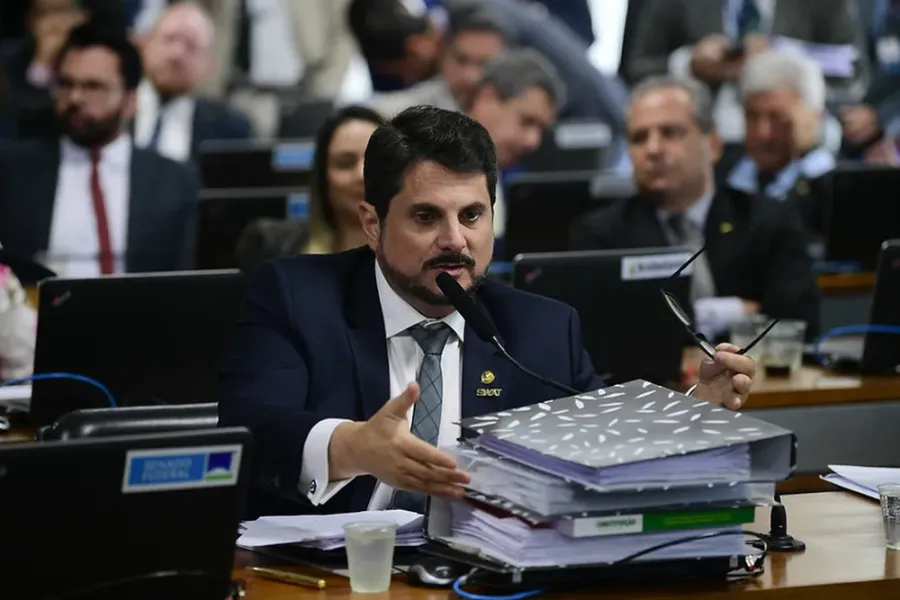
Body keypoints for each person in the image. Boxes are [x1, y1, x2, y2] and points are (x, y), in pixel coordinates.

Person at [218, 105, 758, 519]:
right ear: (373, 224)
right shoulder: (296, 296)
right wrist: (352, 447)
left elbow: (599, 443)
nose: (455, 240)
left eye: (473, 215)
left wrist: (691, 412)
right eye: (426, 217)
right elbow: (251, 427)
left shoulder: (541, 329)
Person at [570, 76, 820, 342]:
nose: (653, 149)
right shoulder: (602, 235)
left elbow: (799, 323)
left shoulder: (765, 220)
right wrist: (733, 312)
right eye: (639, 138)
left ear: (713, 144)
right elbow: (603, 333)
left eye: (670, 133)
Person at [0, 24, 199, 283]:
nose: (75, 98)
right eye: (66, 84)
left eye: (93, 87)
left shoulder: (174, 181)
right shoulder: (12, 171)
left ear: (130, 100)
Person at [235, 105, 385, 269]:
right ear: (323, 177)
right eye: (345, 164)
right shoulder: (271, 248)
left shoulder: (408, 253)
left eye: (375, 161)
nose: (361, 175)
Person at [134, 2, 252, 165]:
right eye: (169, 39)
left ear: (209, 64)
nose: (176, 54)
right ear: (145, 45)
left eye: (191, 46)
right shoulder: (113, 110)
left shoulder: (231, 131)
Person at [369, 3, 508, 118]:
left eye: (486, 64)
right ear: (443, 54)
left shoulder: (512, 114)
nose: (471, 76)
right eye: (461, 60)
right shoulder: (401, 113)